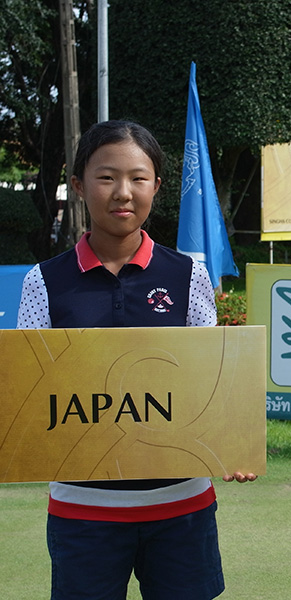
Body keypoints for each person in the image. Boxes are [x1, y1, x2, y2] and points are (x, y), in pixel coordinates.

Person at [16, 120, 256, 600]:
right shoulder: (43, 281)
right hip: (81, 512)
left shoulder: (189, 276)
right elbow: (32, 394)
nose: (122, 192)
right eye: (106, 177)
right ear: (80, 185)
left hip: (182, 509)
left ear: (157, 187)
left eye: (138, 178)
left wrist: (233, 443)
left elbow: (210, 384)